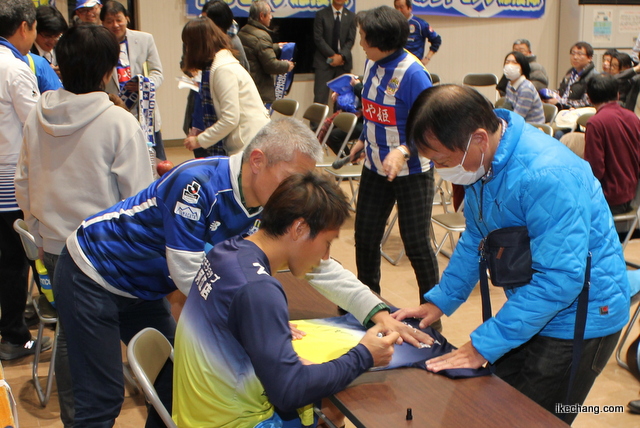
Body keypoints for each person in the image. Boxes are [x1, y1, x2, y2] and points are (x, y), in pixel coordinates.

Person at [53, 117, 431, 427]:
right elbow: (190, 274)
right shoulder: (197, 184)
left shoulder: (272, 204)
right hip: (94, 270)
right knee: (100, 399)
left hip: (146, 285)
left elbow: (317, 263)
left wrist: (376, 311)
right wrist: (256, 319)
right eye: (292, 176)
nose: (299, 188)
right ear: (258, 161)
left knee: (169, 382)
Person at [394, 84, 629, 424]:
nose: (441, 169)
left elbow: (561, 280)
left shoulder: (547, 174)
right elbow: (478, 236)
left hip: (583, 313)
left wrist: (482, 345)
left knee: (530, 418)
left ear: (478, 139)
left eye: (443, 160)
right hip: (535, 304)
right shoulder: (484, 163)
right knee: (489, 405)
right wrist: (441, 300)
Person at [173, 172, 398, 427]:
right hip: (233, 422)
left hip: (197, 414)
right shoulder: (258, 289)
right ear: (299, 228)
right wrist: (364, 355)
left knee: (324, 392)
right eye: (326, 242)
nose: (325, 256)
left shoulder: (226, 251)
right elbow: (289, 391)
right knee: (333, 408)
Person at [15, 24, 154, 427]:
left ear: (59, 63)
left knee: (74, 341)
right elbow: (142, 202)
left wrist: (39, 232)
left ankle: (76, 416)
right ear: (108, 69)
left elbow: (22, 182)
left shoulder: (37, 115)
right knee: (159, 348)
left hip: (59, 252)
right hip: (112, 259)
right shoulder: (117, 122)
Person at [350, 6, 439, 318]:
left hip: (412, 172)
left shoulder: (414, 74)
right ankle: (367, 305)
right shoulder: (373, 62)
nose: (360, 43)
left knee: (416, 244)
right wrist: (363, 138)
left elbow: (430, 127)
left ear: (381, 41)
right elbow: (372, 109)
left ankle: (431, 315)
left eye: (364, 38)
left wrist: (403, 150)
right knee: (365, 238)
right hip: (375, 168)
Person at [0, 0, 51, 361]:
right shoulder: (14, 68)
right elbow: (36, 123)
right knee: (21, 258)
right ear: (24, 27)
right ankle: (17, 337)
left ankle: (15, 329)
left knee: (8, 258)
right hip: (10, 179)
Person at [181, 17, 270, 155]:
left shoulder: (223, 70)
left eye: (188, 45)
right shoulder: (219, 65)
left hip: (249, 143)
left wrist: (199, 140)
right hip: (249, 141)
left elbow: (230, 119)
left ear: (197, 45)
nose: (187, 50)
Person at [101, 1, 166, 160]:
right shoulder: (99, 43)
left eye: (119, 19)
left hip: (144, 111)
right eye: (109, 21)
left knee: (155, 161)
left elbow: (157, 73)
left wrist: (143, 85)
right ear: (102, 23)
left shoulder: (145, 39)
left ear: (127, 19)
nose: (115, 25)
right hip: (113, 112)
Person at [584, 73, 640, 215]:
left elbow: (595, 170)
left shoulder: (595, 123)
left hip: (609, 199)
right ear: (618, 94)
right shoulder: (633, 117)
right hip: (633, 195)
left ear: (589, 98)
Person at [238, 0, 293, 105]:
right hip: (259, 91)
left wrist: (277, 47)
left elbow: (256, 49)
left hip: (247, 86)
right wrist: (287, 65)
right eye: (269, 14)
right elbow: (270, 65)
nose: (271, 17)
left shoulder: (244, 30)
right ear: (261, 16)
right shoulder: (262, 36)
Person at [313, 0, 356, 104]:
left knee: (343, 100)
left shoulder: (351, 16)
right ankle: (317, 121)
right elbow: (318, 38)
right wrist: (333, 56)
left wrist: (341, 56)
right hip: (324, 62)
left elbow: (351, 40)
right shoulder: (321, 14)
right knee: (320, 99)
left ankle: (340, 121)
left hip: (343, 63)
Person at [547, 41, 596, 110]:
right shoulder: (570, 73)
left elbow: (586, 102)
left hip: (577, 114)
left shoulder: (593, 77)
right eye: (573, 53)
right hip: (563, 110)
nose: (575, 57)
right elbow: (561, 92)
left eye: (580, 54)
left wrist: (560, 102)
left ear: (590, 58)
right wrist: (549, 95)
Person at [393, 0, 441, 66]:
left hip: (413, 65)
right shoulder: (392, 24)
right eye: (396, 7)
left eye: (401, 7)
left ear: (410, 8)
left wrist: (427, 58)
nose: (399, 10)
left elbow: (437, 40)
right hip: (395, 64)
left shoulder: (420, 24)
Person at [502, 51, 545, 124]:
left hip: (532, 127)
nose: (510, 65)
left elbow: (517, 118)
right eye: (507, 62)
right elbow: (507, 108)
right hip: (518, 124)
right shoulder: (509, 84)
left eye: (514, 62)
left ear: (522, 67)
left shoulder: (526, 88)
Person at [30, 5, 67, 75]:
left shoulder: (64, 48)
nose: (52, 41)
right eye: (47, 36)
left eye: (57, 36)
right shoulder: (27, 54)